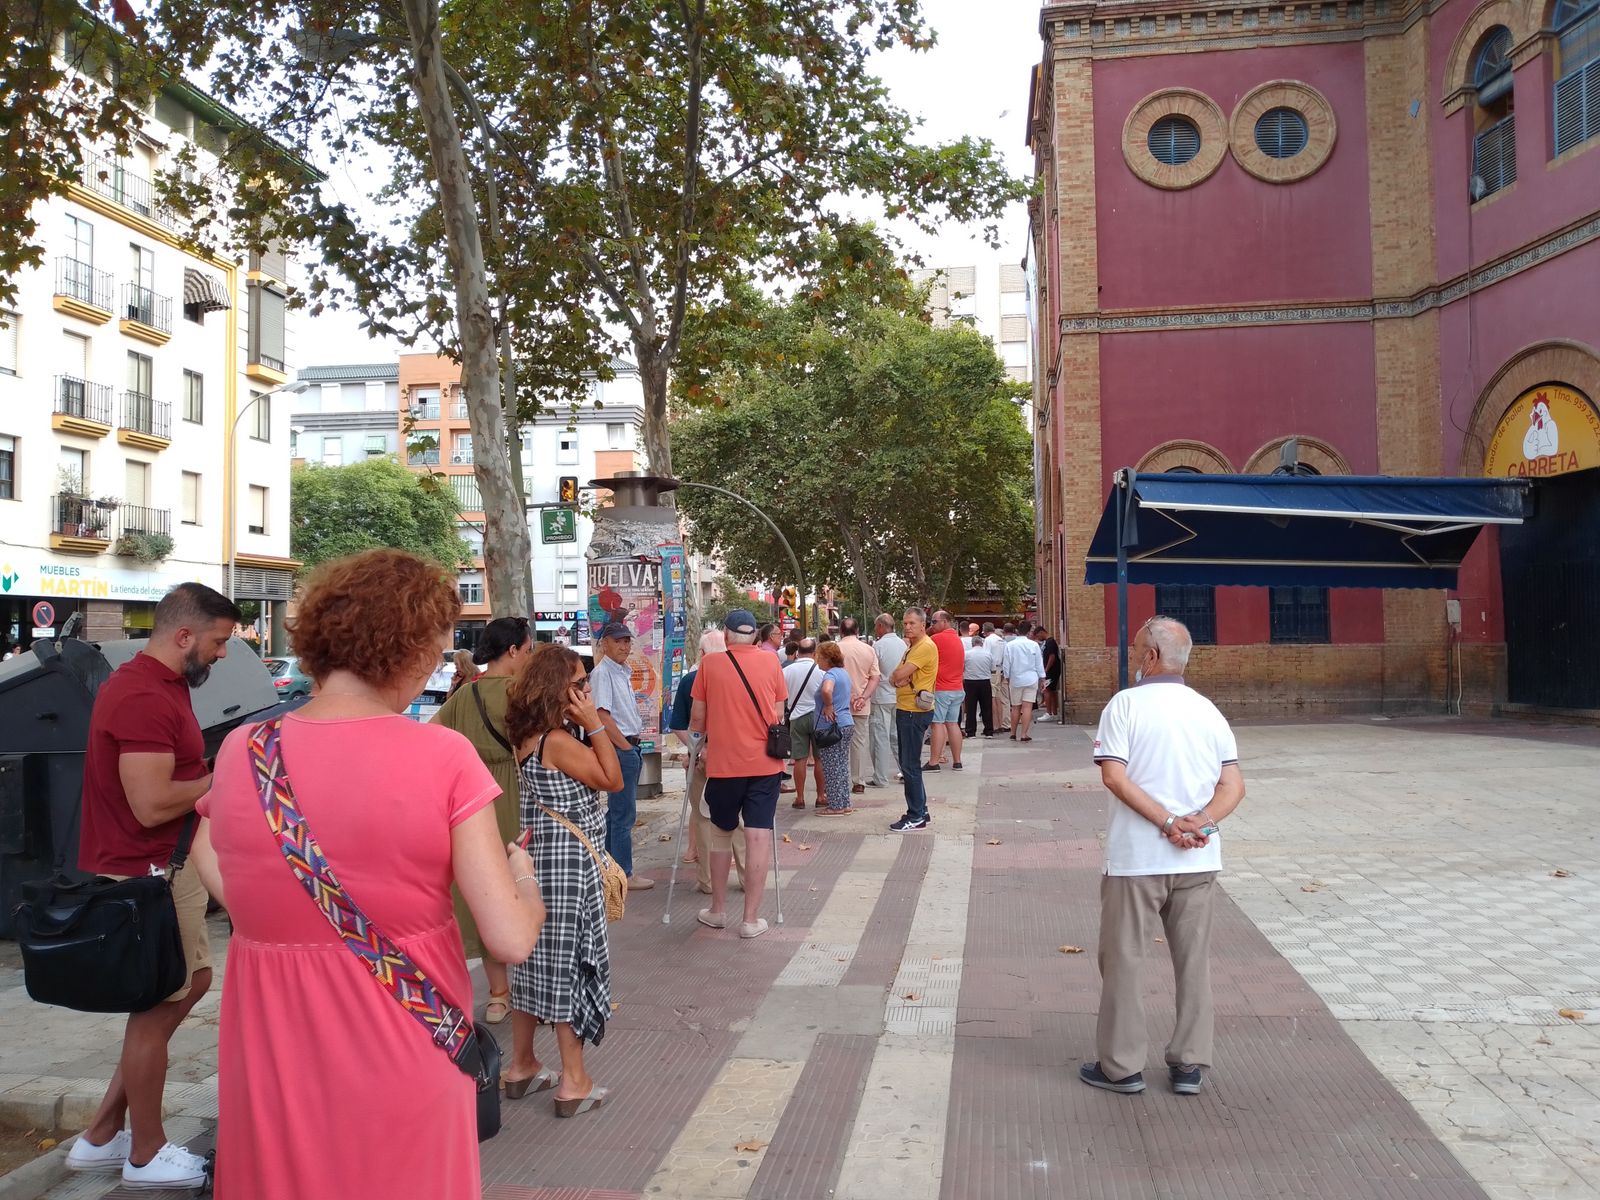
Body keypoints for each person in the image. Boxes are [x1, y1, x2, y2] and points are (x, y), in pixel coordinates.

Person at [190, 550, 545, 1198]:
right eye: (436, 649)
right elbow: (510, 937)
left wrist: (276, 915)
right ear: (410, 648)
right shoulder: (443, 757)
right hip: (402, 1045)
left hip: (271, 1054)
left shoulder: (247, 750)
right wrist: (524, 878)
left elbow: (205, 850)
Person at [66, 583, 240, 1189]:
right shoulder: (141, 694)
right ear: (184, 635)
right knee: (158, 1004)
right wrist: (226, 774)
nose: (222, 654)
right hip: (148, 870)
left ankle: (100, 1134)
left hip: (167, 865)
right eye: (219, 641)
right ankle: (145, 1153)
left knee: (191, 982)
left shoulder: (163, 686)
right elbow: (151, 803)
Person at [1082, 617, 1245, 1098]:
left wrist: (1168, 822)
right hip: (1198, 860)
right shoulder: (1208, 711)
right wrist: (1200, 823)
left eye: (1136, 649)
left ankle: (1121, 1066)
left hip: (1137, 859)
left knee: (1124, 961)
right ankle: (1190, 1063)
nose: (1134, 657)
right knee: (1194, 962)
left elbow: (1114, 776)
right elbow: (1233, 785)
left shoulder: (1124, 706)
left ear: (1151, 657)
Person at [502, 644, 622, 1117]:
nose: (586, 689)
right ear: (558, 689)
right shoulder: (556, 741)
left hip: (536, 861)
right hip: (570, 866)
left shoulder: (527, 735)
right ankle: (574, 1080)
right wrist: (595, 724)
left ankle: (522, 1065)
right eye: (579, 683)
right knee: (569, 966)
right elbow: (612, 779)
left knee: (532, 962)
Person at [431, 615, 534, 1025]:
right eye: (527, 650)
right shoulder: (522, 694)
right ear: (513, 650)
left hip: (472, 796)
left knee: (486, 889)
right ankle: (536, 989)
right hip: (519, 792)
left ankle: (498, 995)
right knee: (524, 884)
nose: (529, 658)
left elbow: (433, 733)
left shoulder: (465, 693)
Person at [689, 609, 786, 939]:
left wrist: (700, 747)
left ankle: (717, 911)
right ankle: (750, 920)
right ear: (755, 635)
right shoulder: (771, 662)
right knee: (758, 836)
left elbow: (697, 719)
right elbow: (778, 713)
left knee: (721, 832)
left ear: (727, 635)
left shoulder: (710, 665)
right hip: (765, 764)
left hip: (724, 765)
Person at [668, 629, 746, 893]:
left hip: (701, 757)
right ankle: (748, 876)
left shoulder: (691, 680)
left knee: (703, 817)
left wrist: (697, 748)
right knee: (737, 816)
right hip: (735, 757)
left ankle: (708, 880)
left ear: (701, 653)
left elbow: (679, 724)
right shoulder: (739, 675)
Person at [590, 622, 653, 891]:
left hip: (627, 746)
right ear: (604, 644)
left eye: (627, 641)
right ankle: (623, 873)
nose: (624, 646)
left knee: (617, 814)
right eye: (618, 641)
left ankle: (607, 870)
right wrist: (625, 747)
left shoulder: (620, 671)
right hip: (620, 747)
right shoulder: (603, 673)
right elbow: (601, 715)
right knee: (623, 815)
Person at [887, 607, 938, 832]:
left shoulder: (924, 646)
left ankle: (915, 815)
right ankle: (921, 810)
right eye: (905, 623)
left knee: (909, 765)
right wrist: (896, 677)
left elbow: (898, 675)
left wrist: (898, 677)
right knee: (910, 763)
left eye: (912, 623)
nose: (907, 627)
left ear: (922, 625)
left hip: (913, 711)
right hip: (908, 709)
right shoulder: (912, 647)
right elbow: (894, 676)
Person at [836, 617, 880, 795]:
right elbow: (875, 677)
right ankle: (858, 781)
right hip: (861, 705)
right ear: (857, 631)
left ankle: (838, 780)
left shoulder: (834, 649)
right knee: (859, 743)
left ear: (840, 631)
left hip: (838, 704)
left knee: (837, 743)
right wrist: (863, 697)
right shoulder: (868, 649)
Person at [813, 641, 856, 814]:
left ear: (826, 658)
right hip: (846, 722)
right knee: (841, 765)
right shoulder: (843, 673)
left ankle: (836, 805)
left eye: (819, 657)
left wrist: (828, 705)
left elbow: (826, 690)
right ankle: (844, 803)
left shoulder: (830, 674)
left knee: (831, 766)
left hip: (831, 726)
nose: (817, 660)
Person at [781, 637, 824, 809]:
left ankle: (799, 798)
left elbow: (781, 695)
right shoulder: (821, 671)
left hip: (796, 717)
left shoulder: (787, 671)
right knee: (819, 759)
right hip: (818, 717)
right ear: (814, 652)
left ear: (798, 652)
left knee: (800, 759)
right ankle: (821, 796)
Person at [868, 613, 906, 789]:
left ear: (881, 626)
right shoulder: (903, 644)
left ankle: (880, 777)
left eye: (876, 626)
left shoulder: (878, 646)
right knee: (897, 736)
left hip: (882, 696)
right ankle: (905, 771)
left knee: (880, 738)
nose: (875, 629)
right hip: (899, 695)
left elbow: (873, 672)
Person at [925, 609, 965, 771]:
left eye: (934, 622)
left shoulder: (937, 639)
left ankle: (934, 762)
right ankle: (957, 761)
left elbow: (920, 644)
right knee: (953, 724)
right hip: (957, 688)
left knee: (937, 724)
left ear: (945, 622)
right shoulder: (957, 638)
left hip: (942, 688)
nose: (932, 625)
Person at [1002, 621, 1046, 742]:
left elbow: (1006, 663)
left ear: (1017, 631)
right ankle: (1024, 734)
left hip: (1015, 678)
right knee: (1027, 707)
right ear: (1029, 632)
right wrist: (1042, 678)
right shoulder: (1034, 645)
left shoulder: (1010, 645)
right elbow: (1039, 663)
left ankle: (1012, 733)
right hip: (1031, 678)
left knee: (1015, 707)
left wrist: (1007, 676)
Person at [962, 633, 995, 738]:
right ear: (982, 644)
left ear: (972, 644)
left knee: (970, 707)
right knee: (986, 707)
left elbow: (962, 668)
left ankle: (971, 732)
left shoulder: (966, 654)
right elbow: (993, 669)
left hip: (970, 682)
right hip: (985, 682)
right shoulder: (988, 654)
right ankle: (989, 731)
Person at [1038, 626, 1062, 723]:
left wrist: (1046, 670)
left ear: (1041, 632)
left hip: (1051, 670)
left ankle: (1048, 713)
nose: (1038, 638)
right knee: (1052, 690)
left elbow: (1052, 656)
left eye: (1038, 635)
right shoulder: (1048, 642)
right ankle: (1054, 713)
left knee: (1046, 689)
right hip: (1052, 670)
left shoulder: (1050, 642)